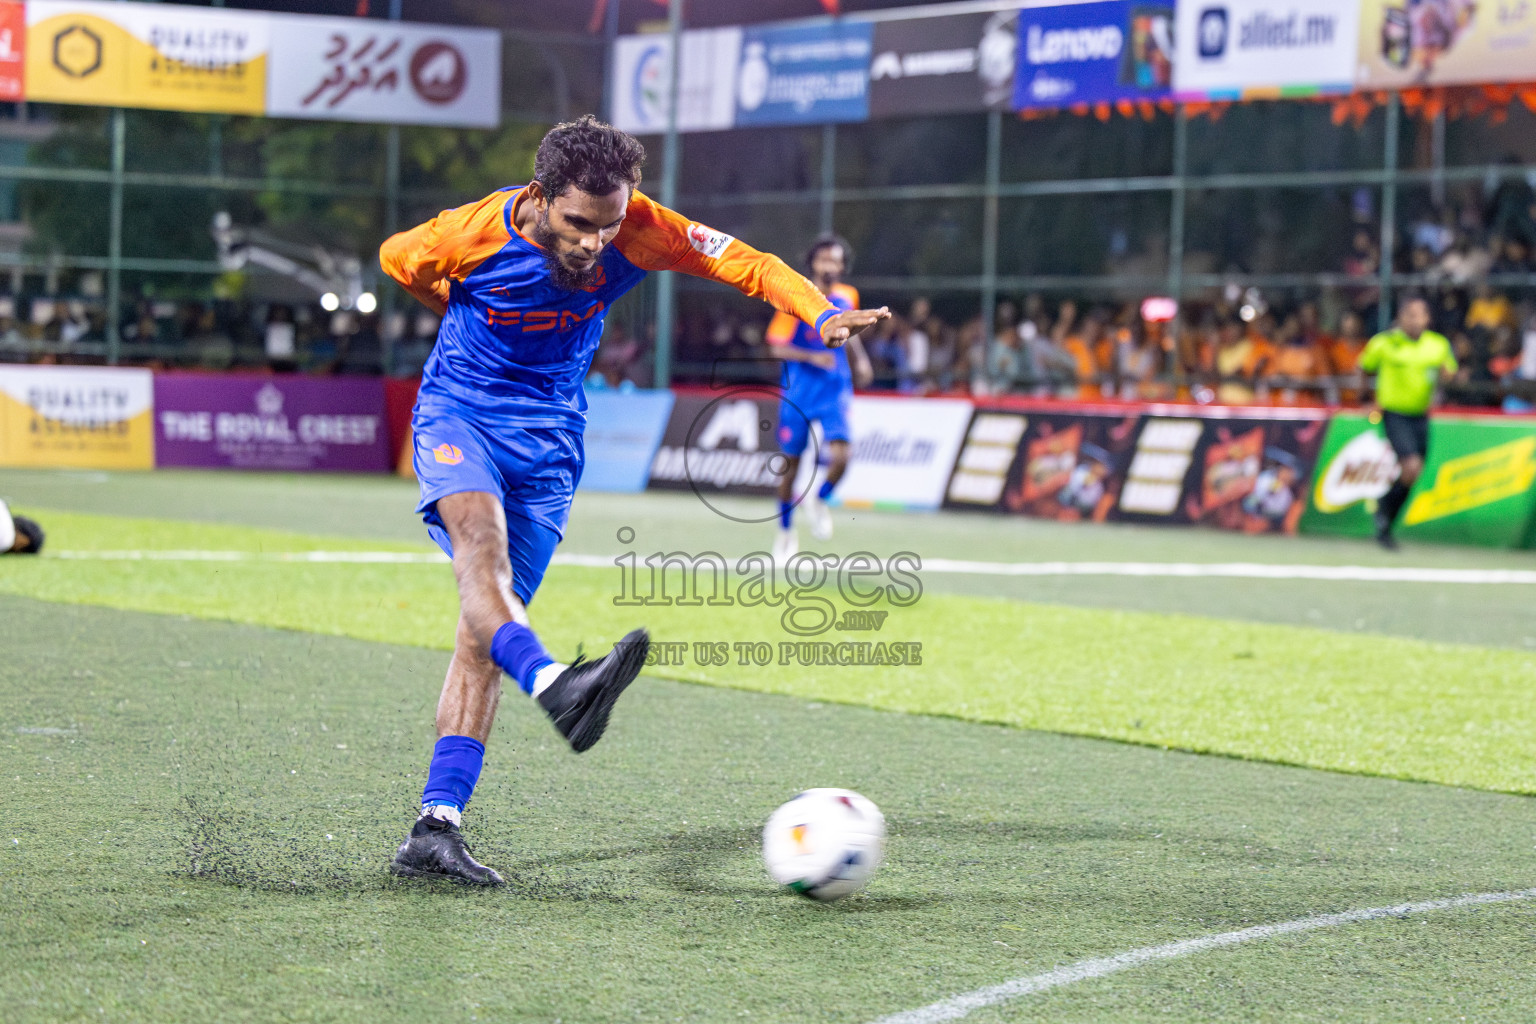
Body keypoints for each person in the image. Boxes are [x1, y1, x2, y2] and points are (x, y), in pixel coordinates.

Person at [378, 116, 889, 885]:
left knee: (488, 628)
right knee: (479, 561)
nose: (594, 243)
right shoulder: (473, 232)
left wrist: (821, 312)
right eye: (579, 224)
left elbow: (746, 264)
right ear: (541, 198)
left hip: (551, 439)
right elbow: (399, 259)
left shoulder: (642, 230)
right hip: (462, 412)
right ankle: (555, 683)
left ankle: (435, 827)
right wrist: (445, 294)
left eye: (608, 226)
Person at [765, 234, 875, 564]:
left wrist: (861, 360)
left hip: (835, 388)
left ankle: (820, 498)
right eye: (824, 259)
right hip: (800, 391)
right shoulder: (795, 296)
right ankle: (785, 531)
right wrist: (813, 358)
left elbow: (849, 331)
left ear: (843, 267)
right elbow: (776, 346)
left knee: (842, 457)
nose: (830, 265)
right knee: (791, 468)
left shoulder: (847, 296)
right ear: (813, 262)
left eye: (836, 260)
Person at [1359, 296, 1458, 550]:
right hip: (1394, 414)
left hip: (1421, 416)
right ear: (1400, 318)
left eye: (1420, 315)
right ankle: (1384, 514)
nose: (1415, 321)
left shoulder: (1437, 345)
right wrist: (1365, 399)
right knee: (1411, 466)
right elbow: (1364, 368)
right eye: (1410, 315)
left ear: (1428, 319)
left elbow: (1449, 373)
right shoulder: (1384, 343)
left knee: (1413, 474)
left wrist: (1449, 377)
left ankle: (1385, 517)